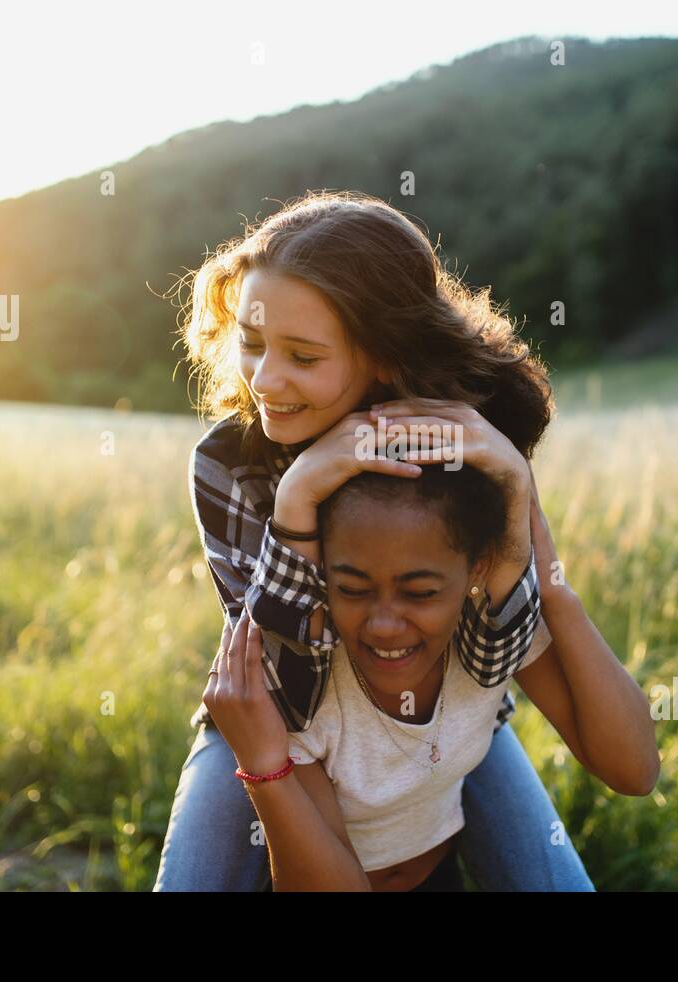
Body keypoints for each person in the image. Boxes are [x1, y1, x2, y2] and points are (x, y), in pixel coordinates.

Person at [155, 189, 580, 890]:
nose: (265, 380)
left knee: (552, 878)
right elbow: (286, 694)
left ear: (382, 357)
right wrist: (301, 492)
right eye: (253, 345)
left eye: (304, 356)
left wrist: (509, 476)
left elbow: (492, 651)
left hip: (440, 713)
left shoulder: (458, 446)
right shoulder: (229, 463)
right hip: (278, 725)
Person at [203, 459, 660, 890]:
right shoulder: (301, 677)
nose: (383, 624)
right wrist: (266, 767)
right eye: (353, 588)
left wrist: (556, 591)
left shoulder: (492, 629)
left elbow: (635, 772)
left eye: (420, 593)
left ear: (477, 567)